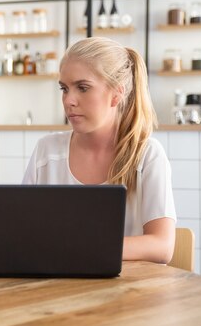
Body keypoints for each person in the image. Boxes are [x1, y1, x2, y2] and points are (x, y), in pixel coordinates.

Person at [23, 37, 176, 263]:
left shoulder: (147, 155)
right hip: (57, 290)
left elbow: (162, 247)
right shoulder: (46, 151)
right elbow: (23, 232)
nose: (69, 101)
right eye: (64, 89)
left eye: (83, 88)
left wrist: (79, 247)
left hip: (129, 293)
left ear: (116, 94)